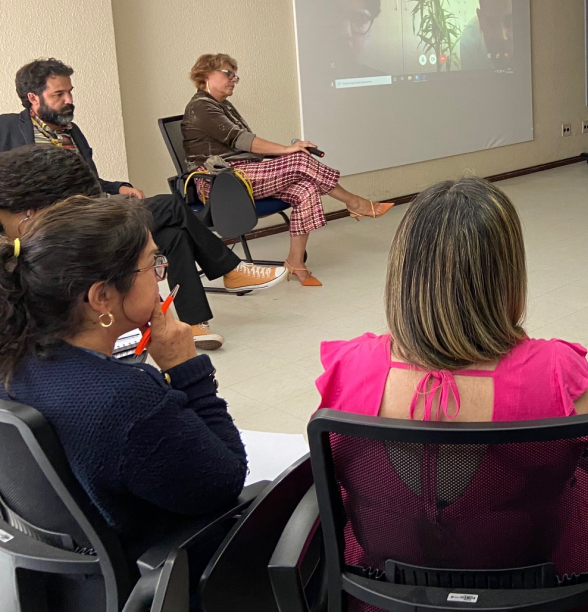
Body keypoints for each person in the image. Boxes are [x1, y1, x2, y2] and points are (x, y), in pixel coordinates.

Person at [314, 177, 588, 562]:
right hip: (534, 586)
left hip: (390, 586)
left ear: (405, 274)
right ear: (507, 275)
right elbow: (587, 447)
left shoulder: (350, 366)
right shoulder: (558, 371)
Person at [0, 195, 248, 558]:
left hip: (76, 578)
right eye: (152, 265)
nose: (161, 275)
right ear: (102, 296)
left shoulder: (12, 359)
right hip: (163, 572)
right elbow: (224, 482)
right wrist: (185, 369)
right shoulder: (125, 396)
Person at [0, 59, 283, 349]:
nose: (69, 100)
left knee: (174, 235)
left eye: (70, 92)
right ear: (32, 98)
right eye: (58, 95)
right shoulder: (8, 128)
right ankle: (230, 270)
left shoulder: (71, 132)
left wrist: (118, 187)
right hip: (58, 228)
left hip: (90, 213)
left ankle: (193, 323)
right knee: (171, 206)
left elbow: (90, 181)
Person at [181, 53, 395, 287]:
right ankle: (356, 203)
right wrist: (287, 150)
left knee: (306, 188)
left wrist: (288, 150)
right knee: (299, 162)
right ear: (205, 75)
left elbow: (247, 149)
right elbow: (240, 140)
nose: (233, 79)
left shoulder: (222, 106)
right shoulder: (200, 106)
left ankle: (295, 263)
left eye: (236, 76)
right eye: (227, 73)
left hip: (242, 174)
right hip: (219, 183)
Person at [460, 0, 514, 70]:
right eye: (492, 23)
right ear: (480, 19)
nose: (502, 36)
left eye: (510, 21)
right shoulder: (469, 43)